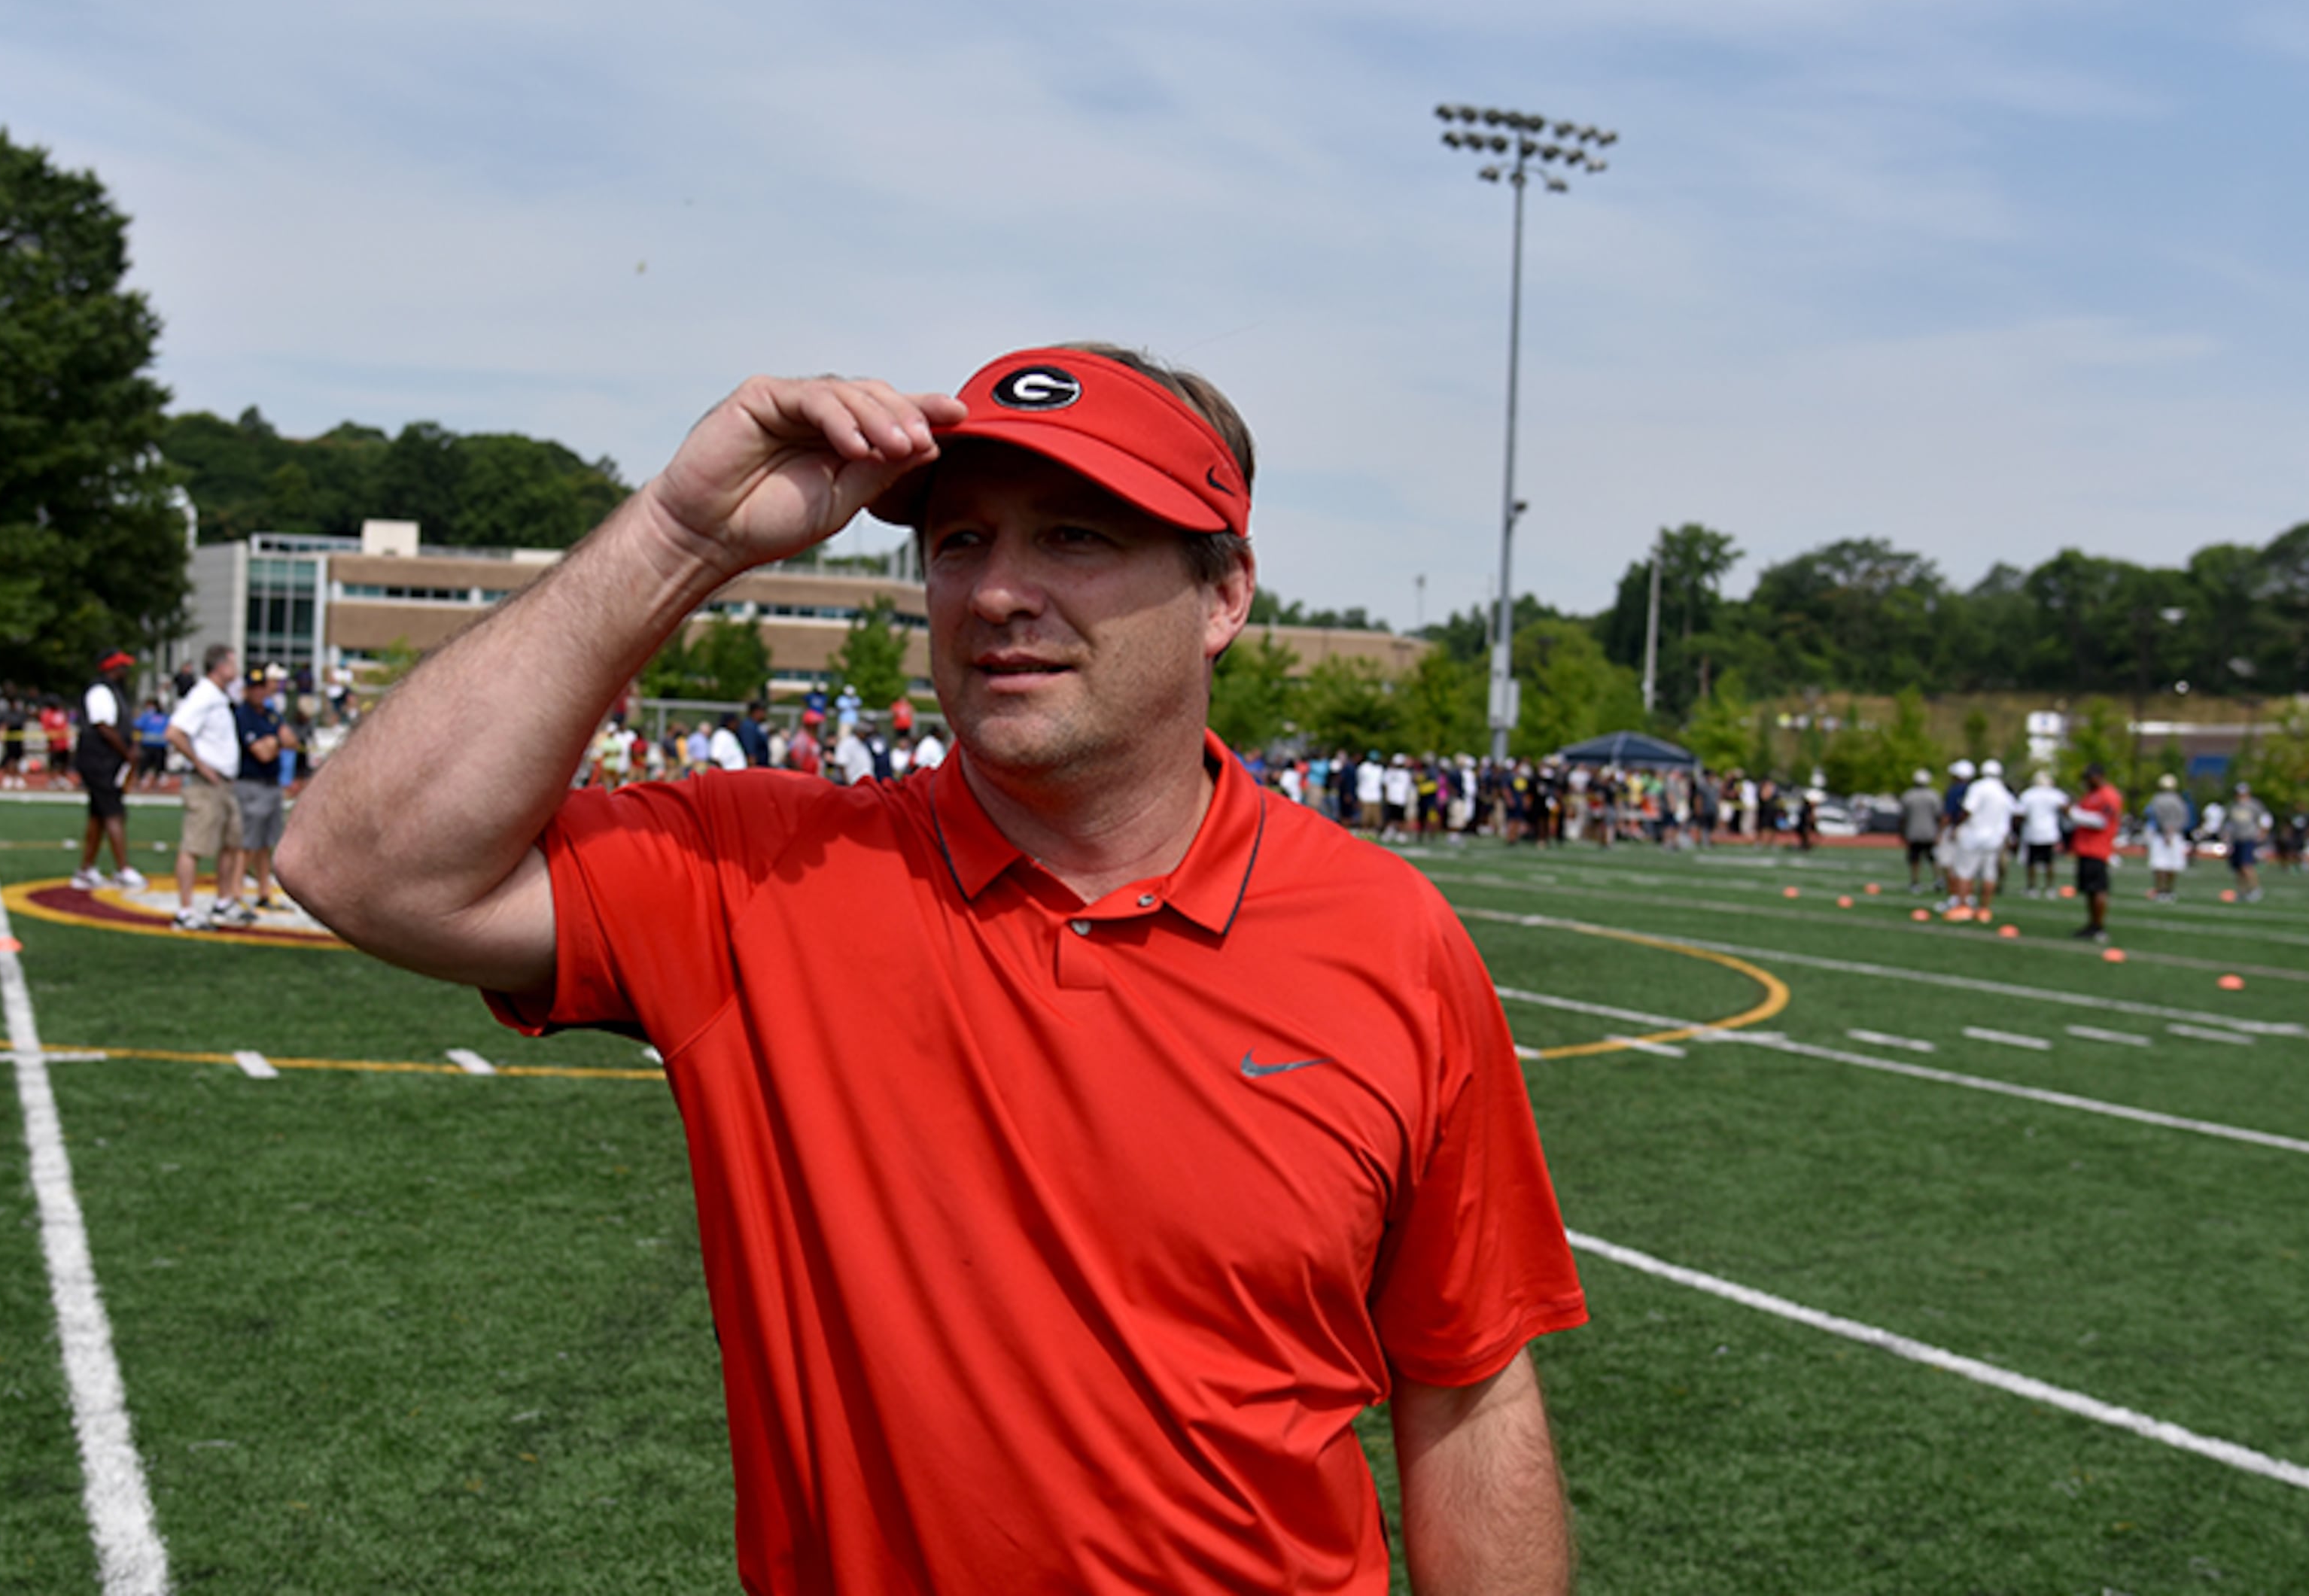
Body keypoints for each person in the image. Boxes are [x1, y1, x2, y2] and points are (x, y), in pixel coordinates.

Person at [278, 345, 1586, 1593]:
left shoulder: (1390, 937)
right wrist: (686, 532)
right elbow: (362, 863)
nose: (1001, 591)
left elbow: (1469, 1390)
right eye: (962, 541)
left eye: (1078, 533)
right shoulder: (757, 877)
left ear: (1224, 595)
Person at [164, 643, 248, 930]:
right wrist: (201, 766)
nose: (237, 670)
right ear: (221, 666)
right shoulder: (204, 695)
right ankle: (185, 910)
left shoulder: (218, 696)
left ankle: (223, 902)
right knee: (195, 845)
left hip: (224, 783)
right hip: (206, 784)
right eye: (233, 663)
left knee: (231, 842)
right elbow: (175, 732)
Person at [71, 650, 148, 893]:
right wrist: (127, 752)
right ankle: (123, 869)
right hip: (100, 761)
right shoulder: (101, 691)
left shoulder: (113, 692)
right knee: (114, 812)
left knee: (99, 814)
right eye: (122, 668)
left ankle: (86, 869)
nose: (126, 673)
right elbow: (103, 725)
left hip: (105, 761)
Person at [231, 665, 290, 909]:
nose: (258, 692)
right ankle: (234, 893)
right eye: (253, 688)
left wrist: (273, 741)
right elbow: (262, 753)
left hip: (271, 784)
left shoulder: (271, 715)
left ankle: (263, 892)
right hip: (251, 784)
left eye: (261, 687)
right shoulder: (242, 715)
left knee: (265, 843)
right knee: (248, 843)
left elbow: (292, 740)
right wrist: (276, 741)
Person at [2067, 762, 2124, 944]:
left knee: (2098, 889)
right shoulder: (2090, 795)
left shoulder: (2108, 796)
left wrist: (2074, 814)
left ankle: (2099, 926)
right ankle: (2092, 924)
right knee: (2089, 890)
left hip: (2098, 848)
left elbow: (2101, 822)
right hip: (2085, 847)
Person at [1955, 758, 2016, 916]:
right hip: (1995, 838)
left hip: (1974, 834)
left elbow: (1969, 809)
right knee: (1989, 874)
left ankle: (1963, 907)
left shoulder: (1978, 787)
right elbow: (2014, 812)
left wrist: (1958, 825)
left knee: (1965, 872)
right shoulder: (2003, 791)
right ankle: (1984, 909)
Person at [2015, 767, 2071, 898]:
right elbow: (2066, 807)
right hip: (2049, 832)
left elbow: (2019, 814)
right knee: (2049, 862)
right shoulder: (2054, 794)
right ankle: (2050, 888)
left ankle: (2032, 887)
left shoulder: (2028, 794)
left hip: (2032, 831)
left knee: (2032, 862)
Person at [2142, 774, 2192, 901]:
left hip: (2161, 835)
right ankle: (2168, 890)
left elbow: (2153, 816)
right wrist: (2172, 830)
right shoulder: (2179, 800)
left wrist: (2166, 831)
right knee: (2172, 865)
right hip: (2174, 834)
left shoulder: (2157, 799)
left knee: (2160, 865)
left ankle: (2161, 890)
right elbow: (2183, 818)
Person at [2221, 782, 2268, 903]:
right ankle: (2242, 891)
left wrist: (2263, 833)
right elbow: (2227, 823)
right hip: (2236, 839)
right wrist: (2226, 837)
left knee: (2246, 866)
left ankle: (2254, 889)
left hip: (2249, 838)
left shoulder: (2254, 805)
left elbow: (2265, 819)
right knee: (2238, 868)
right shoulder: (2232, 806)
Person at [1897, 768, 1942, 893]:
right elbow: (1939, 816)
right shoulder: (1934, 795)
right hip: (1930, 832)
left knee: (1915, 859)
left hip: (1913, 832)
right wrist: (1939, 832)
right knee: (1933, 858)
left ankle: (1915, 882)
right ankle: (1938, 879)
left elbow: (1902, 817)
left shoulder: (1908, 795)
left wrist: (1902, 832)